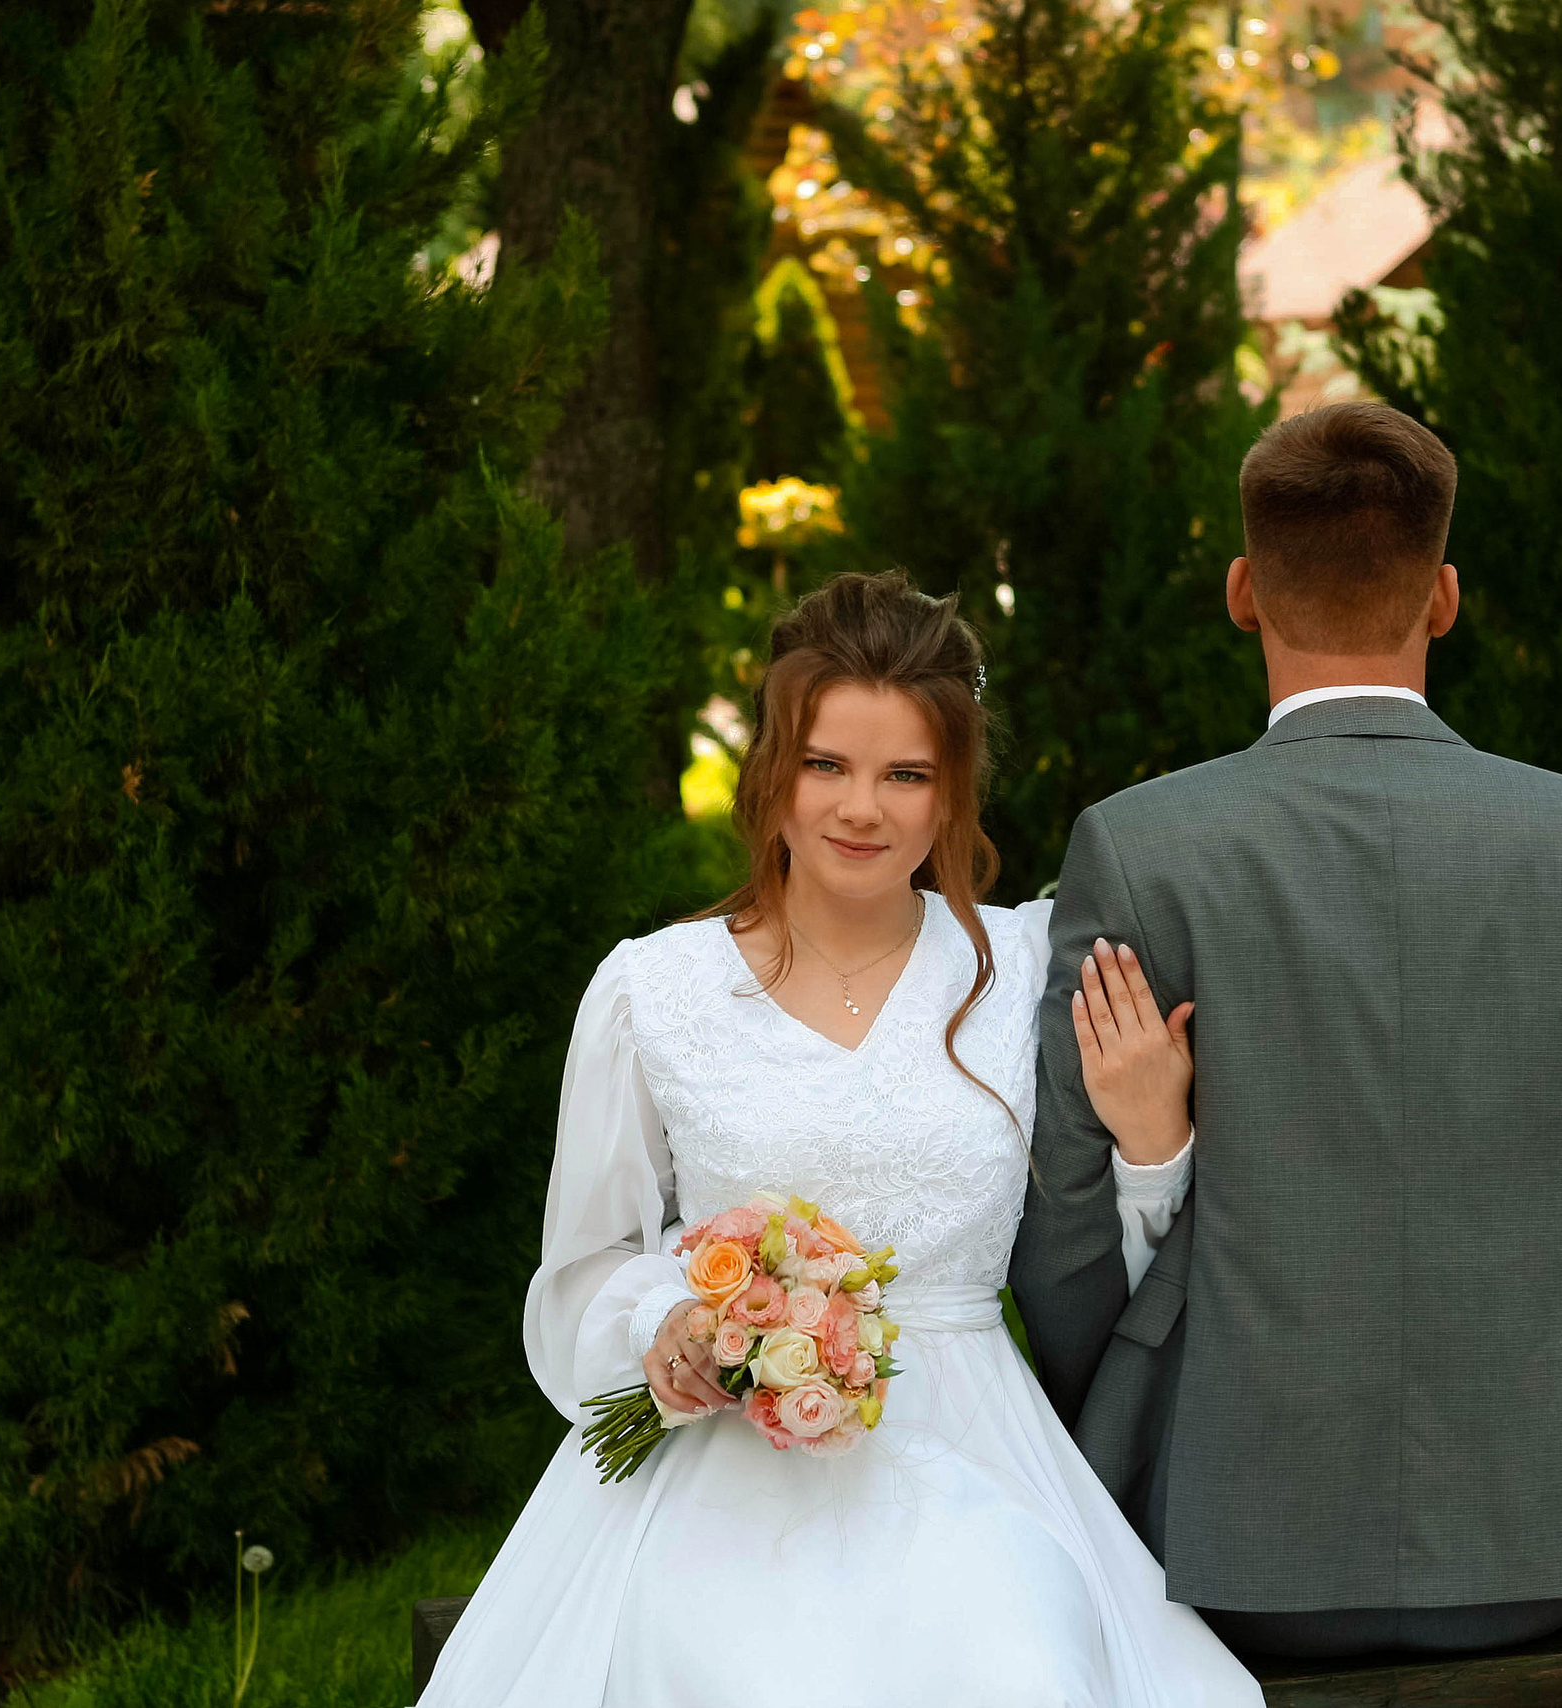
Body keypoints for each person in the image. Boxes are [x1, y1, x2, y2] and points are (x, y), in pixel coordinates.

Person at [419, 573, 1262, 1707]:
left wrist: (1153, 1149)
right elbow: (583, 1269)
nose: (861, 808)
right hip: (724, 1461)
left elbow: (1092, 1270)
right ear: (771, 770)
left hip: (975, 1447)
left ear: (950, 790)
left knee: (1019, 1663)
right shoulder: (651, 991)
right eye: (827, 764)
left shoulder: (1021, 973)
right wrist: (663, 1319)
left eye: (905, 774)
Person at [1010, 400, 1562, 1661]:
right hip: (1538, 1542)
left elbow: (1066, 1212)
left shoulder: (1141, 848)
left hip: (1228, 1535)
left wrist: (1115, 1410)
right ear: (1444, 596)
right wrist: (1560, 1376)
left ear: (1243, 590)